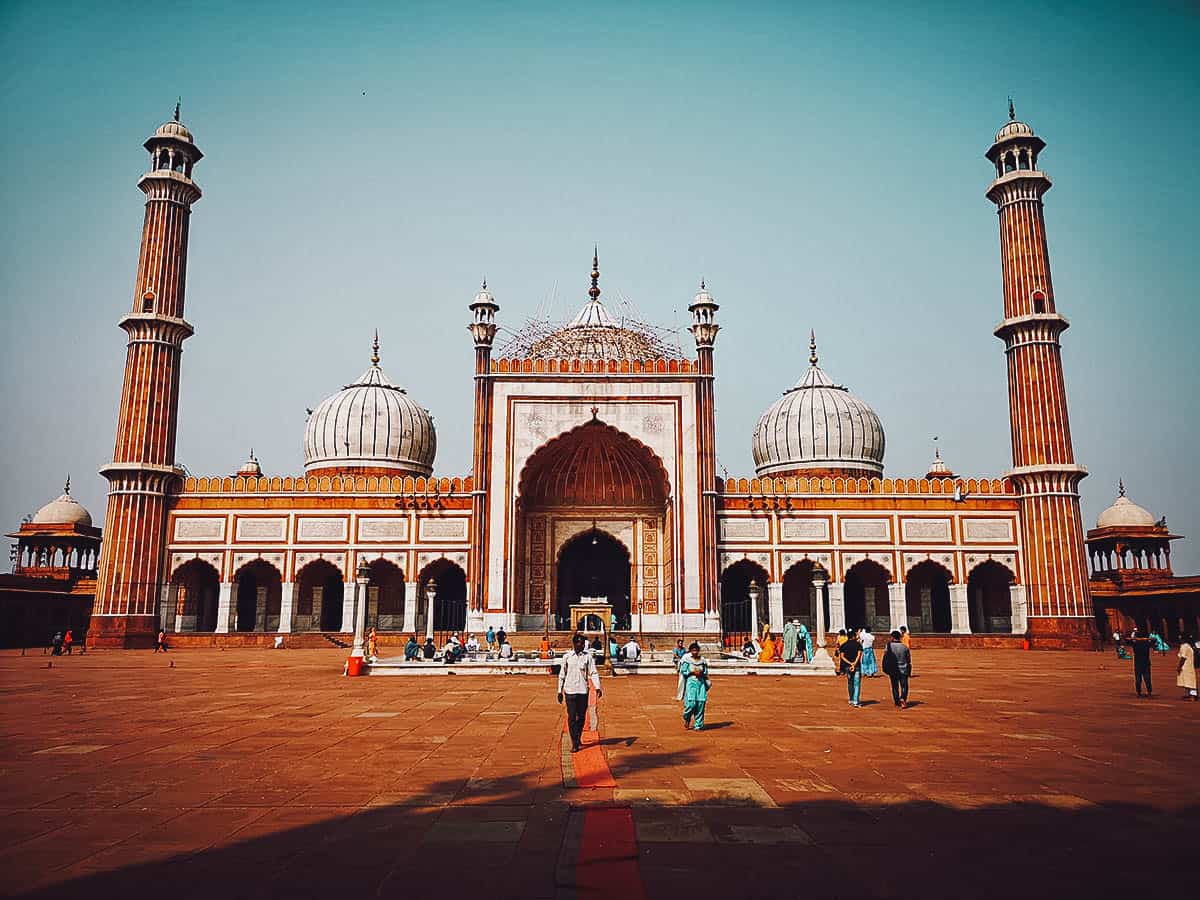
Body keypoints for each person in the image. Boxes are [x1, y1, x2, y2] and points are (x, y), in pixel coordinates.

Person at [557, 633, 602, 752]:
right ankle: (575, 742)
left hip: (583, 690)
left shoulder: (588, 657)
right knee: (572, 717)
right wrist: (559, 691)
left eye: (582, 643)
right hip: (570, 690)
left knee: (581, 717)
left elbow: (593, 672)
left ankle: (578, 736)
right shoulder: (567, 657)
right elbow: (562, 674)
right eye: (578, 643)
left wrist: (597, 687)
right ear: (574, 644)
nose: (581, 646)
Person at [680, 642, 710, 731]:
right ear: (690, 651)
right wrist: (692, 672)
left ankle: (698, 725)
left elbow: (706, 672)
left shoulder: (702, 661)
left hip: (701, 683)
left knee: (701, 704)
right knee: (691, 704)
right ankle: (687, 717)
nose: (695, 652)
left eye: (696, 650)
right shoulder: (687, 661)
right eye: (693, 650)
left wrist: (701, 673)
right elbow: (683, 671)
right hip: (691, 683)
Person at [882, 630, 912, 708]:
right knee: (904, 686)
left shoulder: (889, 646)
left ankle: (897, 702)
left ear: (892, 637)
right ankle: (903, 698)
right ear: (900, 637)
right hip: (903, 668)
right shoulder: (905, 647)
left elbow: (886, 656)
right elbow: (908, 659)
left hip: (893, 669)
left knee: (895, 686)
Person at [836, 628, 863, 707]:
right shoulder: (858, 645)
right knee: (857, 684)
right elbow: (859, 654)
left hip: (847, 666)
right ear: (854, 636)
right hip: (856, 665)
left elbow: (842, 656)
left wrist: (850, 663)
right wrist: (854, 663)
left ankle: (851, 699)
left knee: (850, 683)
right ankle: (856, 701)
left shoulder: (844, 645)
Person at [1130, 629, 1153, 698]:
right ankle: (1149, 692)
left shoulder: (1135, 643)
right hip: (1146, 662)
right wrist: (1145, 639)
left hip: (1138, 663)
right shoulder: (1146, 643)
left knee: (1138, 679)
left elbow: (1128, 640)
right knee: (1147, 678)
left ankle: (1139, 693)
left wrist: (1137, 639)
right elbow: (1154, 641)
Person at [1177, 632, 1198, 701]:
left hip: (1186, 666)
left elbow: (1183, 658)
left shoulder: (1185, 646)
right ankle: (1190, 695)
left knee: (1190, 682)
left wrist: (1179, 666)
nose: (1179, 639)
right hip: (1189, 666)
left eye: (1180, 637)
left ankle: (1193, 696)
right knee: (1188, 681)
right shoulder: (1188, 645)